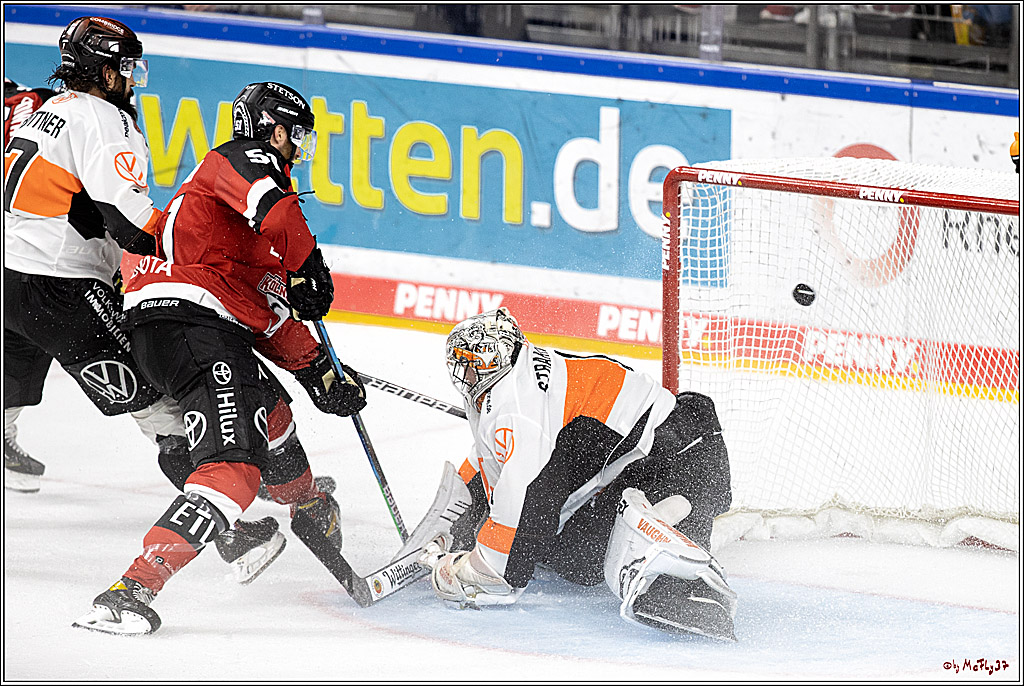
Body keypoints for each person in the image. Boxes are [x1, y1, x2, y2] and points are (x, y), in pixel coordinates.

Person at [73, 81, 367, 635]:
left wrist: (321, 373)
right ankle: (130, 590)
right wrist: (309, 266)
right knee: (233, 469)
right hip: (193, 327)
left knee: (271, 414)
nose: (299, 149)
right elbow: (276, 215)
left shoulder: (236, 230)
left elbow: (261, 312)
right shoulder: (238, 161)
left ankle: (307, 504)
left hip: (180, 329)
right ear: (273, 131)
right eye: (296, 136)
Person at [418, 308, 738, 640]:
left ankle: (693, 588)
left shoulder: (519, 408)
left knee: (653, 589)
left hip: (683, 458)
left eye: (471, 363)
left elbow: (506, 562)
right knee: (578, 560)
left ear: (492, 363)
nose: (465, 373)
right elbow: (493, 462)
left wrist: (464, 570)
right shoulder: (516, 379)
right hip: (655, 456)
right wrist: (459, 521)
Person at [4, 16, 185, 495]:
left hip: (9, 277)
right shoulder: (104, 119)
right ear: (106, 72)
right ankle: (224, 499)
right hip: (61, 288)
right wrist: (197, 248)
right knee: (158, 401)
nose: (132, 80)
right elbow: (131, 223)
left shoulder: (46, 109)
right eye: (127, 69)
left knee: (10, 376)